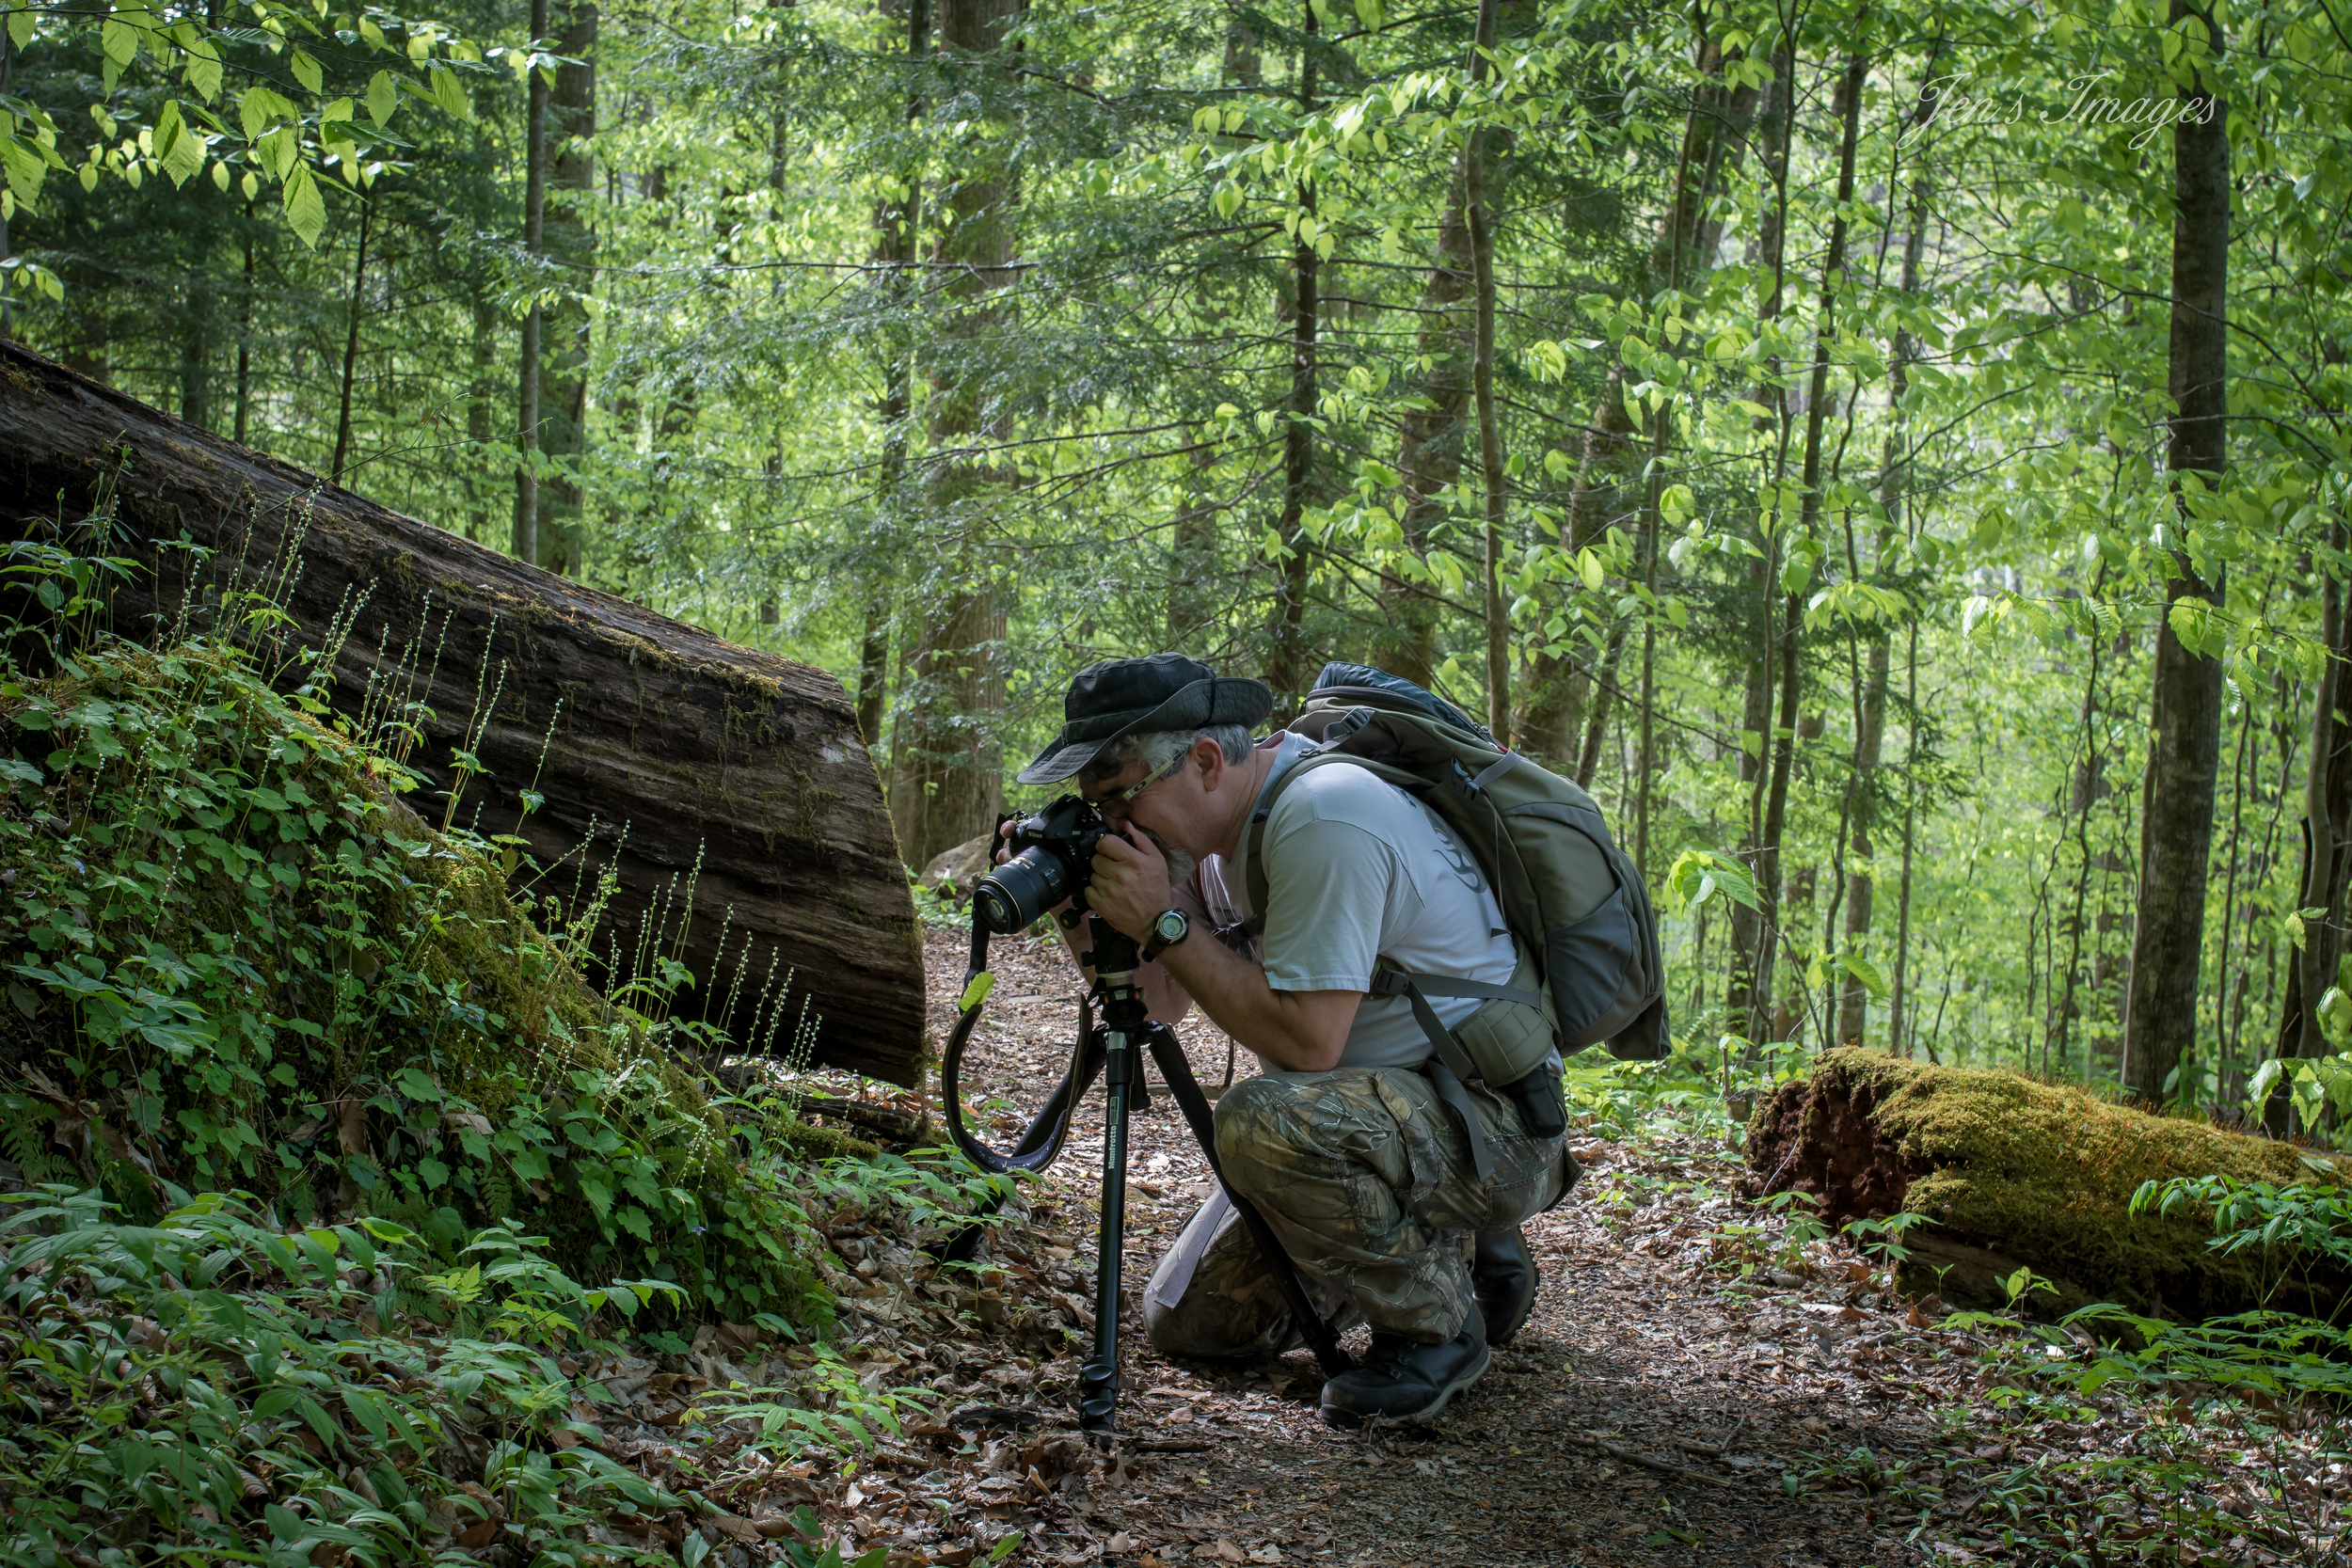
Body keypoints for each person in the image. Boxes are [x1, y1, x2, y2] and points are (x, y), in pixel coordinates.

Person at [1006, 653, 1577, 1427]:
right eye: (1093, 808)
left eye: (1119, 799)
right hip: (1371, 1124)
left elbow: (1308, 1045)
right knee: (1190, 1324)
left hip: (1491, 1123)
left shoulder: (1322, 815)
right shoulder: (1210, 840)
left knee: (1254, 1119)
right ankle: (1445, 1240)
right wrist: (1085, 906)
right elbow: (1162, 998)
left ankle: (1438, 1327)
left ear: (1205, 761)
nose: (1113, 826)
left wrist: (1162, 922)